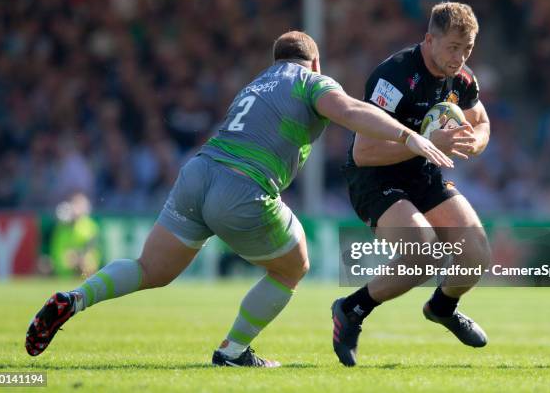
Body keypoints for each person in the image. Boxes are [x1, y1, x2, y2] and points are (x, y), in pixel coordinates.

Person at [25, 30, 452, 367]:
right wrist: (405, 133)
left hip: (198, 173)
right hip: (242, 185)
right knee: (294, 266)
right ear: (315, 61)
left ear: (275, 60)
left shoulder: (256, 83)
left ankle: (75, 299)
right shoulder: (310, 81)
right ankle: (233, 351)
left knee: (149, 268)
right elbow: (350, 110)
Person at [332, 2, 492, 366]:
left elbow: (480, 121)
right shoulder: (395, 77)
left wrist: (476, 142)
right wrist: (430, 144)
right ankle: (351, 309)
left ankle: (442, 307)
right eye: (453, 47)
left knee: (476, 254)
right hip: (375, 178)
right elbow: (364, 151)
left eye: (467, 48)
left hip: (422, 173)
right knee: (422, 253)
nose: (460, 57)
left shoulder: (462, 78)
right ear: (429, 40)